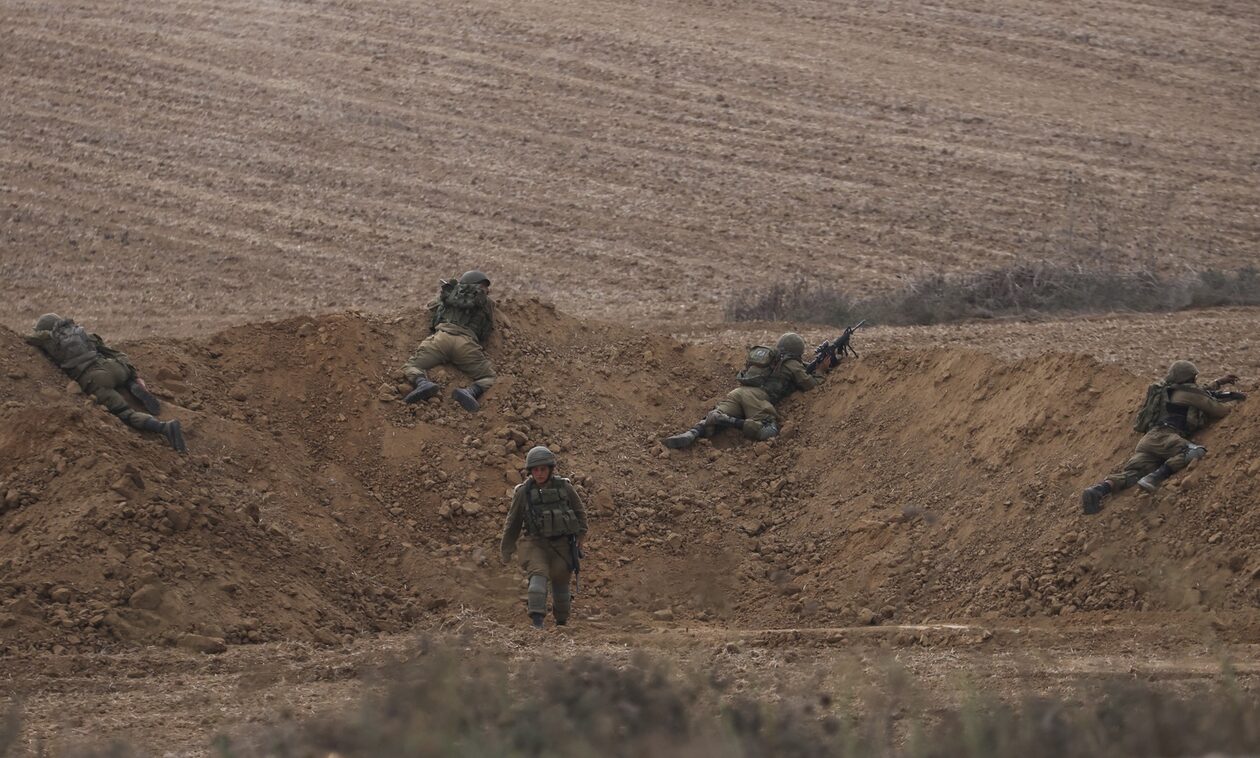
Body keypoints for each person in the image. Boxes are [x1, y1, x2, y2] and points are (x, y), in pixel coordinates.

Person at [1081, 360, 1243, 514]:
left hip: (1148, 440)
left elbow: (1200, 390)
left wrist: (1218, 382)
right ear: (1190, 378)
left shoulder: (1166, 389)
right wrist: (1238, 402)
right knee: (1195, 452)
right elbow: (1220, 410)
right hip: (1167, 437)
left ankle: (1098, 490)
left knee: (1133, 473)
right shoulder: (1189, 393)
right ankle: (1154, 477)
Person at [25, 313, 186, 452]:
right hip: (112, 367)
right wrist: (134, 374)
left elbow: (28, 339)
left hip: (95, 379)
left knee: (125, 414)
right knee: (122, 370)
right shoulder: (80, 334)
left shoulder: (48, 341)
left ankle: (165, 427)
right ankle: (131, 383)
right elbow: (111, 351)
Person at [663, 332, 823, 449]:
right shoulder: (792, 364)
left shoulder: (769, 359)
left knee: (713, 417)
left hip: (738, 392)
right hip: (756, 397)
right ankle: (730, 421)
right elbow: (811, 385)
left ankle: (693, 432)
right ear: (798, 351)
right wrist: (821, 370)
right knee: (769, 430)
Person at [500, 446, 588, 629]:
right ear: (530, 471)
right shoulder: (523, 492)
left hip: (562, 546)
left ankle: (561, 624)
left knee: (561, 589)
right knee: (537, 584)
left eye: (543, 469)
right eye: (535, 470)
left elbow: (580, 513)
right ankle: (537, 625)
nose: (539, 473)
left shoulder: (564, 487)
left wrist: (580, 539)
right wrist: (506, 549)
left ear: (550, 469)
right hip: (535, 544)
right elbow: (513, 522)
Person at [400, 270, 504, 412]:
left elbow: (431, 307)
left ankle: (423, 383)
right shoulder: (487, 302)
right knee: (488, 377)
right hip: (466, 345)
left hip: (441, 338)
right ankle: (470, 392)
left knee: (412, 365)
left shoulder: (451, 294)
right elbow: (486, 330)